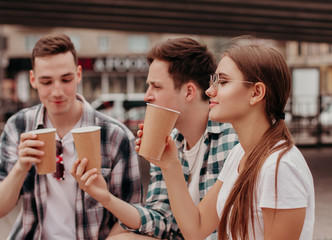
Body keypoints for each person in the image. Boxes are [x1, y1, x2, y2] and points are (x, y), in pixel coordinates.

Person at [136, 37, 315, 240]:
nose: (210, 90)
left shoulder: (280, 167)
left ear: (256, 92)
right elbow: (196, 228)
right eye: (214, 81)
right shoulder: (240, 154)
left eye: (223, 81)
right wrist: (169, 165)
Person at [71, 37, 239, 239]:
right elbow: (161, 220)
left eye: (156, 87)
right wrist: (106, 198)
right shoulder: (169, 140)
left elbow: (232, 228)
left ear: (188, 92)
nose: (146, 96)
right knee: (119, 237)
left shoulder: (232, 140)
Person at [0, 34, 142, 239]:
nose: (57, 91)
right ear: (33, 79)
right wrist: (20, 168)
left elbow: (133, 216)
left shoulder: (115, 136)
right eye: (46, 82)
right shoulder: (18, 127)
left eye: (66, 79)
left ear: (79, 74)